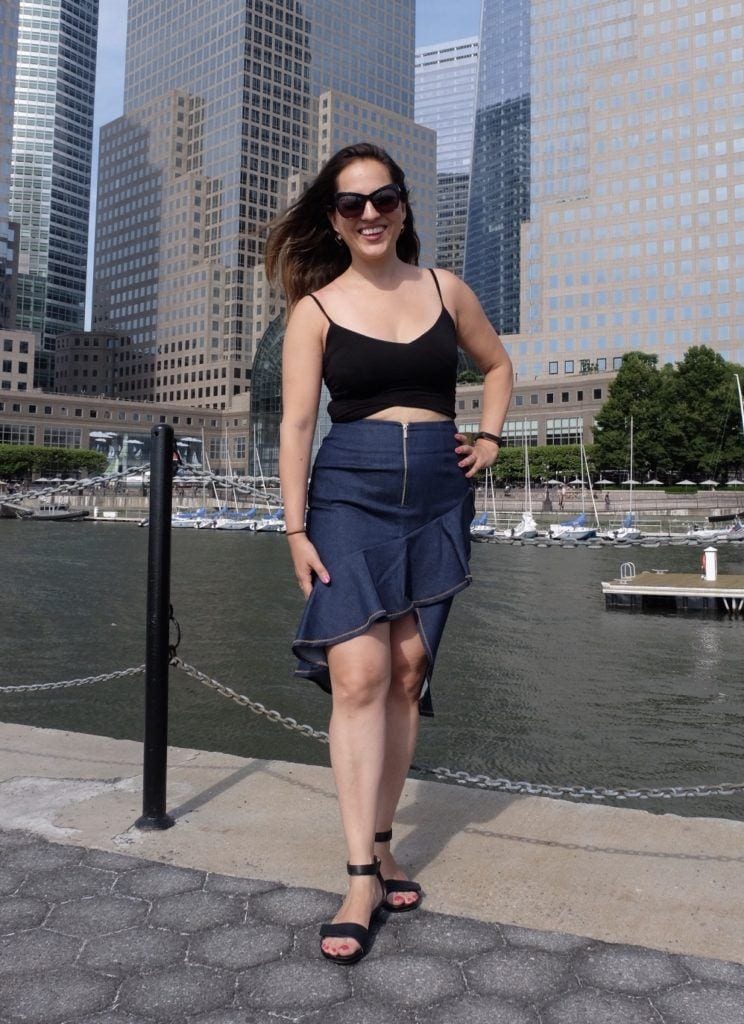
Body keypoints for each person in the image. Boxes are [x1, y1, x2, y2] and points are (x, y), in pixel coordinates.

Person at [268, 142, 512, 965]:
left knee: (408, 673)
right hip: (349, 496)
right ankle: (358, 876)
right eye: (351, 204)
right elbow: (298, 425)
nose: (370, 213)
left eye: (384, 198)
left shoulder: (445, 288)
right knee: (360, 674)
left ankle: (383, 840)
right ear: (333, 220)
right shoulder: (316, 309)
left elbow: (499, 364)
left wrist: (489, 434)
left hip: (439, 495)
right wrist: (296, 528)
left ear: (404, 206)